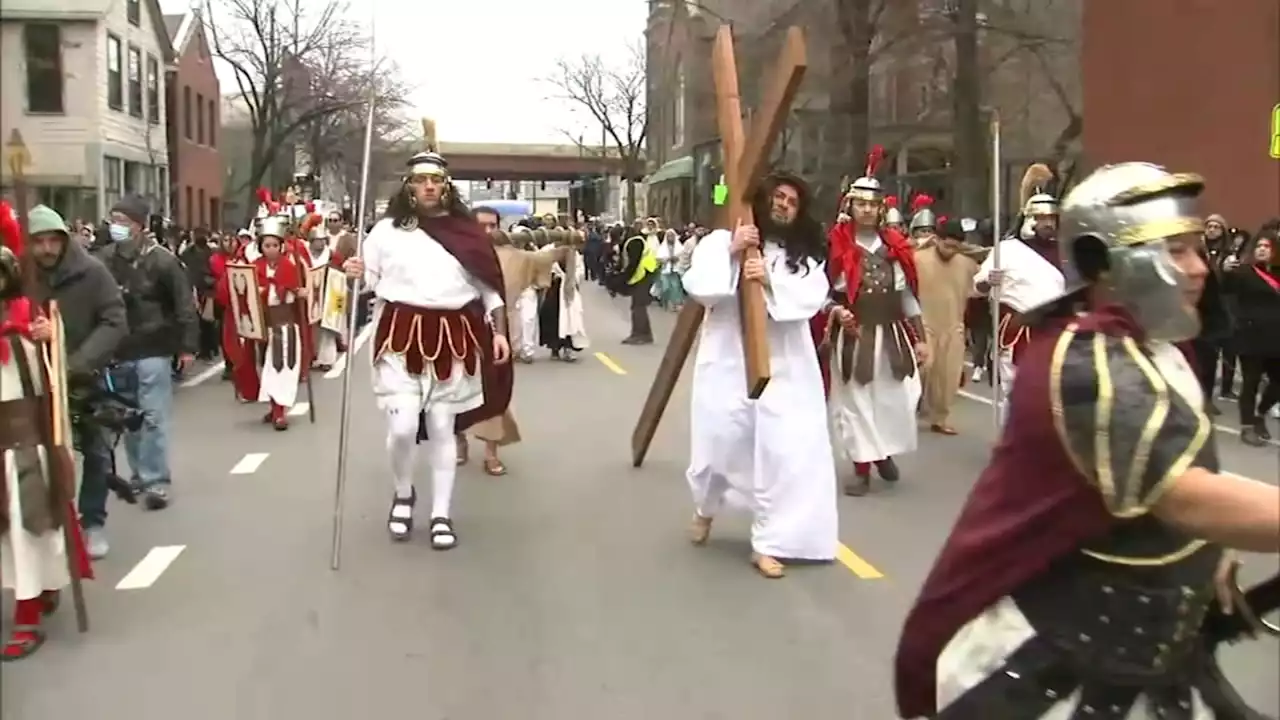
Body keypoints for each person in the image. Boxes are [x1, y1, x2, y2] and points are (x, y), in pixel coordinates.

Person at [894, 162, 1280, 719]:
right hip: (1048, 670)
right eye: (1175, 251)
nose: (1199, 268)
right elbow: (1184, 495)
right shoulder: (1089, 365)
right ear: (1105, 261)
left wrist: (1207, 557)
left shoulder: (1158, 349)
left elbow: (1185, 475)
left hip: (1146, 657)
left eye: (1197, 249)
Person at [342, 151, 511, 550]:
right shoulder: (384, 232)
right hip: (401, 332)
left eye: (436, 180)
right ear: (409, 187)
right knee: (401, 429)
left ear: (446, 186)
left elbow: (490, 287)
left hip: (454, 335)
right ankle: (403, 493)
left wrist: (500, 332)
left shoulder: (467, 232)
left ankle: (440, 513)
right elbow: (367, 281)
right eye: (421, 180)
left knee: (440, 429)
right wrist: (355, 273)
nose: (429, 186)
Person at [682, 171, 837, 579]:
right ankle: (706, 508)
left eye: (792, 201)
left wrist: (769, 282)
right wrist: (734, 252)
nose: (784, 204)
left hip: (785, 361)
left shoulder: (801, 256)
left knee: (783, 451)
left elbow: (810, 297)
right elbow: (700, 287)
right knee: (721, 440)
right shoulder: (721, 240)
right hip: (729, 357)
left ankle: (769, 542)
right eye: (779, 196)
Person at [1, 203, 96, 659]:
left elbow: (51, 375)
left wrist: (46, 338)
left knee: (30, 525)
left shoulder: (30, 320)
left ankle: (26, 613)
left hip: (23, 443)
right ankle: (35, 589)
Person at [824, 147, 929, 496]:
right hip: (855, 336)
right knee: (855, 403)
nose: (867, 210)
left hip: (893, 335)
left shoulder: (896, 246)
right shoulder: (837, 245)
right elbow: (822, 292)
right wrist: (836, 310)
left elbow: (908, 297)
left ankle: (881, 452)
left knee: (893, 399)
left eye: (873, 204)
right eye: (861, 204)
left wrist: (921, 337)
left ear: (881, 208)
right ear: (850, 207)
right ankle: (862, 468)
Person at [91, 196, 198, 514]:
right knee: (128, 418)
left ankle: (157, 480)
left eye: (123, 221)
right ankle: (138, 472)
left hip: (154, 347)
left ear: (139, 225)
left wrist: (187, 346)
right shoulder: (103, 261)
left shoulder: (163, 261)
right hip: (118, 349)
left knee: (153, 416)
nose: (116, 227)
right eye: (113, 220)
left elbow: (183, 304)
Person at [458, 208, 567, 476]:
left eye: (492, 225)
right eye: (480, 225)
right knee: (454, 390)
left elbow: (543, 258)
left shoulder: (515, 257)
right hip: (459, 329)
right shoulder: (454, 256)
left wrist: (570, 242)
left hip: (499, 330)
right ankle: (458, 443)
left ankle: (491, 453)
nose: (486, 231)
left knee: (495, 392)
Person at [972, 163, 1064, 420]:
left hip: (1056, 331)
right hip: (1019, 333)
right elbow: (977, 287)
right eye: (1042, 218)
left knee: (1053, 396)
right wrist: (989, 280)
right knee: (1017, 396)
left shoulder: (1065, 252)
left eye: (1052, 219)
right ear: (1029, 219)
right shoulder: (1008, 249)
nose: (1048, 224)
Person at [916, 217, 982, 435]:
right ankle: (914, 406)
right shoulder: (917, 258)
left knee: (949, 376)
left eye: (956, 247)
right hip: (925, 323)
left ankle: (940, 417)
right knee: (926, 368)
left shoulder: (967, 264)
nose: (950, 251)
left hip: (954, 325)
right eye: (947, 245)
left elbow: (990, 260)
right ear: (936, 240)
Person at [241, 218, 307, 430]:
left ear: (281, 246)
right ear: (261, 246)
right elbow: (245, 294)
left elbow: (299, 290)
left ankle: (280, 412)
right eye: (266, 245)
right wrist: (256, 292)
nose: (270, 249)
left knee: (282, 368)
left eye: (274, 245)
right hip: (264, 325)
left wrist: (301, 293)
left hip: (285, 325)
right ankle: (273, 407)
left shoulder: (290, 266)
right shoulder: (255, 267)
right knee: (266, 369)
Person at [536, 228, 589, 362]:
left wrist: (572, 279)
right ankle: (554, 347)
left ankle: (568, 348)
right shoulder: (548, 250)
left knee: (571, 318)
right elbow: (538, 262)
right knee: (552, 316)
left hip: (569, 289)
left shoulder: (573, 253)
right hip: (553, 288)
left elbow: (580, 270)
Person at [305, 220, 346, 371]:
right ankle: (312, 356)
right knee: (311, 329)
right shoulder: (306, 256)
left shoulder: (332, 255)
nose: (320, 244)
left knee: (328, 329)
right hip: (311, 296)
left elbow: (340, 274)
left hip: (328, 295)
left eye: (322, 241)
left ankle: (327, 359)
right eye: (317, 241)